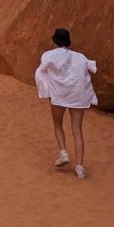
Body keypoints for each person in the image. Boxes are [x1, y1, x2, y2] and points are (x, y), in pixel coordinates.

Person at [35, 28, 97, 179]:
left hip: (59, 95)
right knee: (77, 130)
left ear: (55, 40)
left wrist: (47, 92)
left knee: (57, 124)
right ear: (69, 41)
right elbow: (92, 68)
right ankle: (80, 168)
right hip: (77, 96)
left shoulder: (49, 55)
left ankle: (63, 152)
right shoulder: (80, 57)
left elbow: (40, 72)